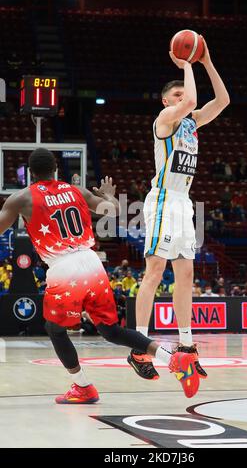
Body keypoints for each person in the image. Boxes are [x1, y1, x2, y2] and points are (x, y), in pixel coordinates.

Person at [0, 148, 200, 401]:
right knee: (111, 330)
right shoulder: (77, 191)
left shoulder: (21, 198)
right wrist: (109, 196)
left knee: (55, 329)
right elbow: (113, 210)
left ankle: (83, 386)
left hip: (63, 267)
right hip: (91, 262)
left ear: (30, 173)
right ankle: (174, 359)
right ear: (56, 170)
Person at [128, 38, 230, 381]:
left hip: (184, 202)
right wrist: (187, 63)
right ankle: (139, 346)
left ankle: (186, 346)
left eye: (180, 96)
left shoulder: (192, 124)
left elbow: (223, 100)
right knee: (155, 270)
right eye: (176, 97)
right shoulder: (165, 120)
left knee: (186, 274)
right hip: (162, 199)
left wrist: (207, 61)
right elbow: (192, 100)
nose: (181, 100)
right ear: (165, 101)